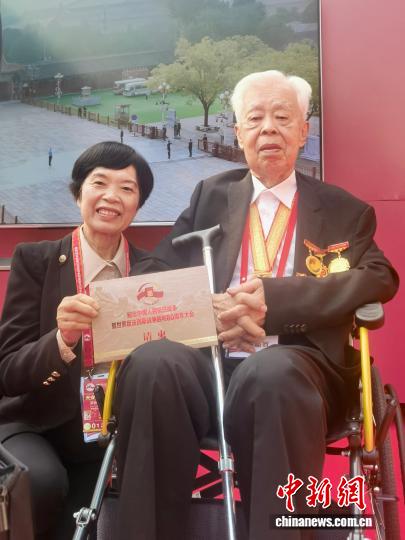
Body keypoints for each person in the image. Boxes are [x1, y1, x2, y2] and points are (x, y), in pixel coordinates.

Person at [114, 71, 399, 540]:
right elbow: (158, 270)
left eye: (282, 118)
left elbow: (380, 276)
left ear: (303, 132)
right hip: (210, 363)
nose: (268, 128)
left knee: (272, 373)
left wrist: (278, 302)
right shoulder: (210, 196)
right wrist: (208, 311)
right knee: (152, 364)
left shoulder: (343, 210)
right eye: (255, 119)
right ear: (239, 132)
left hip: (296, 368)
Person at [0, 141, 154, 540]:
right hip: (33, 422)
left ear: (138, 204)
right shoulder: (36, 261)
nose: (111, 196)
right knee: (41, 482)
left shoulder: (153, 274)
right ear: (77, 193)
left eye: (127, 188)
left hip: (105, 434)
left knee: (94, 517)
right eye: (99, 183)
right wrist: (61, 339)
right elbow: (7, 371)